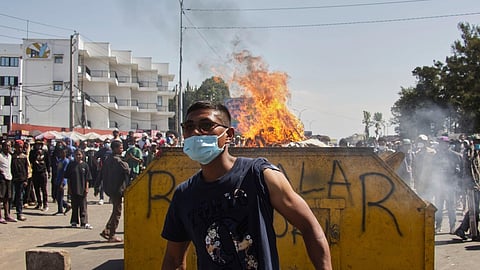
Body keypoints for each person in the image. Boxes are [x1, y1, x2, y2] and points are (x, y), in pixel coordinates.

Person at [161, 101, 332, 269]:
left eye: (206, 125)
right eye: (189, 126)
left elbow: (310, 228)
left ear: (229, 135)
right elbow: (173, 259)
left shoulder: (259, 175)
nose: (196, 132)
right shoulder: (184, 195)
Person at [99, 140, 130, 242]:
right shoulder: (117, 161)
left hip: (110, 188)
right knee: (117, 212)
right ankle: (112, 234)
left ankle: (107, 230)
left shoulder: (108, 159)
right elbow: (127, 170)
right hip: (117, 189)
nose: (122, 149)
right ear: (115, 149)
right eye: (120, 148)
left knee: (115, 210)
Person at [65, 149, 92, 229]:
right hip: (73, 188)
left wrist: (87, 188)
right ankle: (74, 221)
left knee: (83, 206)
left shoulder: (85, 165)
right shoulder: (71, 165)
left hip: (82, 189)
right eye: (76, 154)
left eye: (79, 154)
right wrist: (69, 189)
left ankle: (84, 222)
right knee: (74, 206)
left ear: (82, 155)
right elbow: (68, 178)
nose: (78, 156)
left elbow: (87, 178)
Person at [29, 139, 51, 211]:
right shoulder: (32, 152)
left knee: (43, 189)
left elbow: (48, 162)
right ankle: (39, 203)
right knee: (36, 189)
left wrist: (49, 171)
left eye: (39, 145)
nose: (38, 146)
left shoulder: (45, 152)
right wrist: (36, 154)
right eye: (37, 145)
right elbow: (30, 160)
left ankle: (45, 204)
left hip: (42, 172)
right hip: (35, 172)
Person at [11, 140, 29, 221]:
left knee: (20, 197)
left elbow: (26, 169)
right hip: (12, 179)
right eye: (18, 147)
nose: (19, 149)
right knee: (11, 196)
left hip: (21, 179)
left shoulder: (24, 157)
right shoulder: (12, 156)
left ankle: (19, 213)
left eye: (21, 147)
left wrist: (26, 180)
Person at [0, 140, 16, 223]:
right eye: (6, 146)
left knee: (7, 198)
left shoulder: (10, 156)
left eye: (9, 146)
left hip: (9, 177)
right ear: (2, 147)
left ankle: (7, 215)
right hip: (1, 179)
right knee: (1, 197)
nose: (8, 147)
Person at [52, 147, 72, 216]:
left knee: (60, 196)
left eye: (64, 153)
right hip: (57, 179)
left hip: (62, 180)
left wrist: (62, 182)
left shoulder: (66, 161)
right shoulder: (60, 160)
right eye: (61, 153)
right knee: (57, 196)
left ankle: (60, 210)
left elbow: (64, 172)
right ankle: (66, 205)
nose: (62, 154)